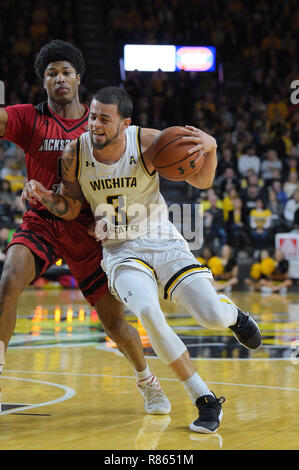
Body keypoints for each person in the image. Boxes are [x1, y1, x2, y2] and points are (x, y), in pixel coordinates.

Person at [25, 86, 262, 434]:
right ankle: (204, 398)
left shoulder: (151, 143)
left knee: (211, 315)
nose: (94, 125)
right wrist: (46, 197)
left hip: (163, 239)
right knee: (149, 313)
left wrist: (210, 148)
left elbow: (202, 179)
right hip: (120, 249)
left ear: (125, 123)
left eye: (104, 119)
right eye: (91, 116)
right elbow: (73, 205)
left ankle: (232, 314)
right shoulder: (76, 152)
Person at [0, 40, 170, 417]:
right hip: (43, 221)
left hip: (89, 230)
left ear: (78, 78)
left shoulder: (99, 124)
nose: (58, 79)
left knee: (114, 322)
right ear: (43, 83)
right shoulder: (30, 118)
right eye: (50, 74)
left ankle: (148, 381)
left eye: (65, 72)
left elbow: (131, 164)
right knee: (9, 279)